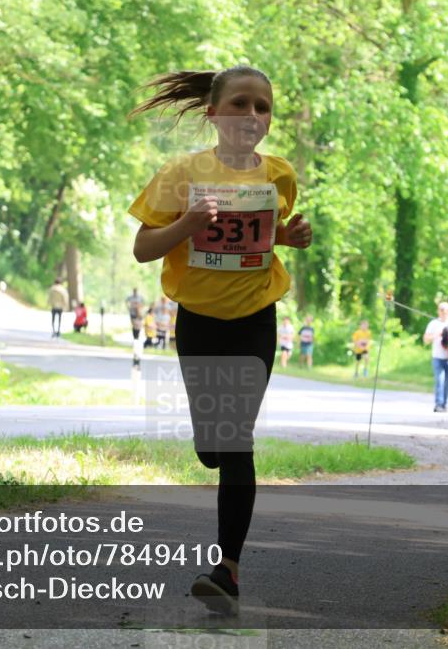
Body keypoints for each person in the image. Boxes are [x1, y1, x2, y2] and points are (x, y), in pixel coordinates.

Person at [128, 66, 312, 616]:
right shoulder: (181, 173)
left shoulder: (278, 175)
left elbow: (264, 235)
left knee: (236, 442)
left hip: (256, 317)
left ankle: (226, 571)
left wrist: (289, 235)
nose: (252, 115)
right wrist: (185, 224)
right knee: (214, 446)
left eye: (262, 107)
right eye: (240, 104)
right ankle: (213, 446)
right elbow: (143, 248)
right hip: (199, 321)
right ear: (214, 114)